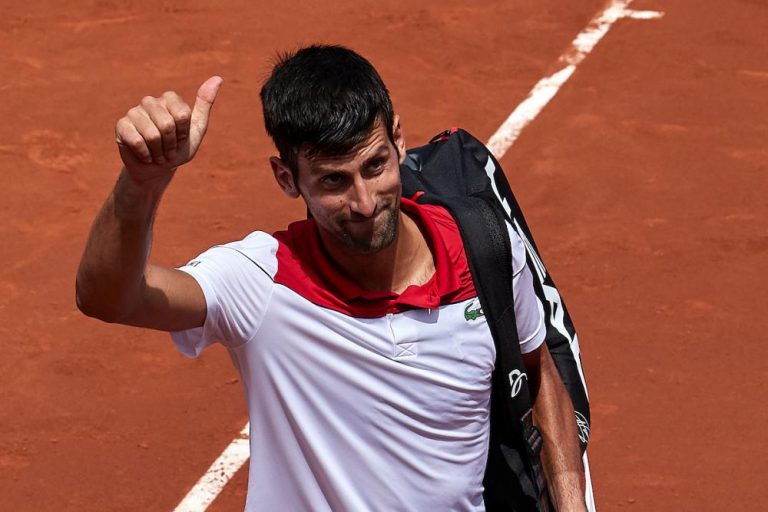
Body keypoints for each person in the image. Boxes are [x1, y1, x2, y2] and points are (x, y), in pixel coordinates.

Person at [77, 45, 587, 511]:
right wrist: (142, 183)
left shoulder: (485, 249)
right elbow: (109, 298)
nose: (365, 203)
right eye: (333, 182)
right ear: (286, 178)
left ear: (399, 141)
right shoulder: (262, 282)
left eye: (375, 166)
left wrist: (569, 502)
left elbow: (539, 373)